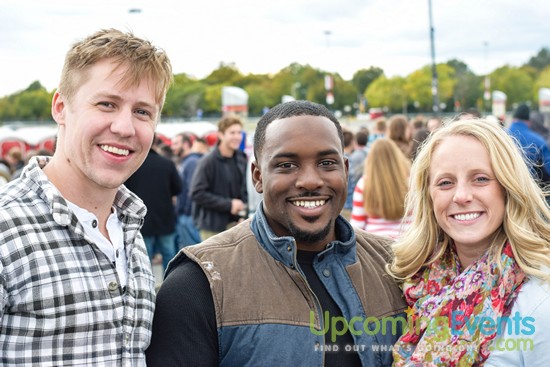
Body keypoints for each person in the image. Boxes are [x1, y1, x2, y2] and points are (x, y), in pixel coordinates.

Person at [146, 100, 407, 366]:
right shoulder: (200, 282)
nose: (310, 181)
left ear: (346, 170)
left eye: (327, 162)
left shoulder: (398, 268)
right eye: (286, 165)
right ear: (258, 177)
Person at [0, 28, 172, 365]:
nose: (124, 127)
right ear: (61, 107)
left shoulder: (129, 233)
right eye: (107, 104)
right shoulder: (6, 231)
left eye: (142, 112)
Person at [388, 118, 550, 366]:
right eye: (445, 182)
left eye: (481, 179)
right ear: (428, 195)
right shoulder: (411, 280)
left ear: (508, 187)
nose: (461, 195)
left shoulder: (540, 299)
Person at [125, 136, 182, 270]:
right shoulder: (167, 163)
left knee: (145, 257)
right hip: (165, 216)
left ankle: (148, 288)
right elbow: (178, 188)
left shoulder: (132, 164)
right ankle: (171, 286)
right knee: (169, 255)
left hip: (141, 217)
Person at [190, 114, 248, 240]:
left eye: (239, 132)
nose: (237, 137)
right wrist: (228, 204)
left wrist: (243, 213)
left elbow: (243, 190)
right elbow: (196, 193)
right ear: (221, 135)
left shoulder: (241, 157)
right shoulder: (208, 161)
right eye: (232, 133)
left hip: (237, 224)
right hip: (212, 227)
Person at [350, 138, 411, 239]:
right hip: (408, 243)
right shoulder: (411, 181)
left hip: (375, 246)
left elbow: (357, 226)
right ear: (397, 156)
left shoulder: (363, 184)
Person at [172, 132, 203, 248]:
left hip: (188, 216)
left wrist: (186, 211)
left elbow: (192, 189)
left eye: (176, 144)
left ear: (185, 144)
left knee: (191, 252)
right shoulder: (185, 161)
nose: (172, 147)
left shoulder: (191, 162)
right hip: (184, 215)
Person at [507, 103, 550, 185]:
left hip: (505, 186)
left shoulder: (501, 135)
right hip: (530, 187)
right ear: (528, 121)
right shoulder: (538, 141)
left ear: (513, 118)